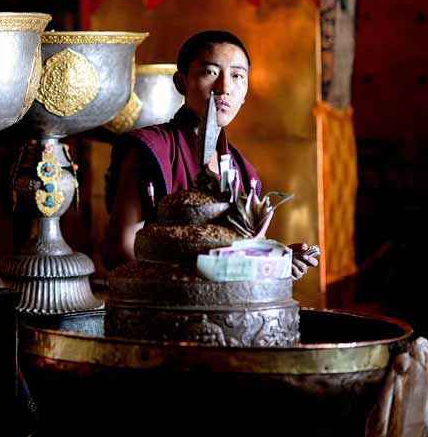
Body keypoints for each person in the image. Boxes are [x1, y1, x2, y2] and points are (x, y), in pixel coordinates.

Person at [103, 30, 319, 279]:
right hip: (165, 303)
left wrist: (275, 262)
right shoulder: (152, 151)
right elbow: (119, 250)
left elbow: (242, 252)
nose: (224, 88)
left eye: (237, 75)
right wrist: (204, 275)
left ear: (246, 91)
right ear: (181, 82)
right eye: (210, 72)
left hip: (228, 307)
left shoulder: (243, 171)